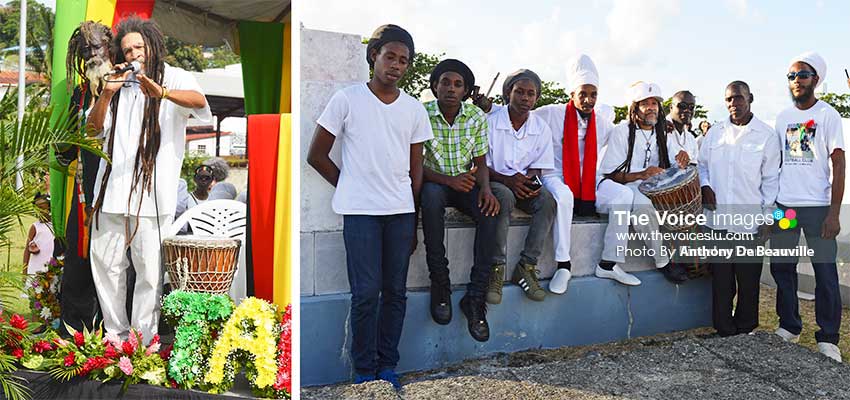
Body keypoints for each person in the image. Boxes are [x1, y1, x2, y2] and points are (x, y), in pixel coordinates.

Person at [307, 24, 432, 389]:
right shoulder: (347, 99)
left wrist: (414, 218)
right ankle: (364, 372)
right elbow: (316, 156)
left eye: (403, 60)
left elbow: (416, 170)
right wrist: (351, 184)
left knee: (396, 292)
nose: (396, 65)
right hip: (360, 213)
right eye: (390, 56)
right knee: (366, 293)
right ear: (373, 55)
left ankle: (387, 366)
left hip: (401, 214)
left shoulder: (413, 109)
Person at [86, 16, 211, 344]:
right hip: (111, 193)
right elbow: (92, 130)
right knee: (107, 267)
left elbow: (200, 103)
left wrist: (163, 92)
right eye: (127, 50)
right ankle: (116, 337)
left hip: (153, 197)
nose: (133, 54)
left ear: (152, 45)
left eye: (138, 47)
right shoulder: (115, 80)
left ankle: (142, 343)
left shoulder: (175, 76)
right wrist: (105, 96)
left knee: (149, 274)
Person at [420, 59, 503, 342]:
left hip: (464, 182)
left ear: (466, 90)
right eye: (445, 83)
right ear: (435, 87)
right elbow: (415, 166)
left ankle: (475, 296)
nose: (451, 89)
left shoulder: (476, 117)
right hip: (434, 182)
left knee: (490, 209)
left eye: (458, 85)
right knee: (430, 198)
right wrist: (447, 181)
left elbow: (480, 162)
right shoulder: (422, 114)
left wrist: (486, 189)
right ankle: (440, 283)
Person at [770, 52, 845, 362]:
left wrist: (834, 212)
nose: (796, 80)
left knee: (825, 273)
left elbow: (839, 164)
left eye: (802, 74)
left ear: (816, 79)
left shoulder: (829, 115)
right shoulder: (783, 117)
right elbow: (774, 164)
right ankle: (789, 325)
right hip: (785, 207)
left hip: (817, 210)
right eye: (791, 75)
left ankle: (828, 338)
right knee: (781, 268)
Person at [699, 81, 779, 337]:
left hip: (750, 223)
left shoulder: (766, 135)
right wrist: (706, 185)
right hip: (718, 222)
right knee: (721, 282)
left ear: (750, 98)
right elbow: (702, 165)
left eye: (738, 98)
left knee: (748, 282)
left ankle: (745, 330)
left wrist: (769, 218)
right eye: (729, 100)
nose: (733, 104)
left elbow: (771, 181)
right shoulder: (715, 133)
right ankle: (723, 330)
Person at [598, 81, 690, 284]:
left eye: (654, 103)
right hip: (619, 186)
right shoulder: (622, 131)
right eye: (645, 103)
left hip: (646, 187)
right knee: (642, 206)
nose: (651, 107)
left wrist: (683, 156)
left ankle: (689, 259)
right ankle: (663, 262)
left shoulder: (663, 132)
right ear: (635, 108)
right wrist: (641, 174)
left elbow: (677, 159)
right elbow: (610, 174)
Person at [58, 20, 113, 336]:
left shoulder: (125, 86)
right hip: (84, 192)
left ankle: (113, 336)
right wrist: (64, 144)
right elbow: (65, 149)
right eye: (85, 50)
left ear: (108, 47)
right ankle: (73, 333)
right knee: (78, 263)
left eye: (96, 47)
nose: (92, 54)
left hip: (117, 189)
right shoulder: (79, 95)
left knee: (114, 265)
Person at [483, 69, 557, 303]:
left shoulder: (541, 128)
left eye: (531, 94)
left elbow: (538, 166)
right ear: (508, 93)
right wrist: (507, 180)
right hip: (494, 181)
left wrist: (528, 184)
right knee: (503, 197)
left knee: (547, 200)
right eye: (520, 92)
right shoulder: (490, 123)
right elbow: (479, 165)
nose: (525, 98)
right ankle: (495, 268)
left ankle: (527, 265)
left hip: (521, 184)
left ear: (536, 98)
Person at [23, 193, 54, 275]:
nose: (39, 211)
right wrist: (24, 271)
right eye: (37, 209)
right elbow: (27, 250)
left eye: (42, 208)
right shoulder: (35, 227)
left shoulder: (56, 226)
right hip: (35, 268)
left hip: (52, 266)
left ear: (49, 208)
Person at [667, 91, 700, 162]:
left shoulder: (691, 139)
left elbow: (694, 167)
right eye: (682, 106)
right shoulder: (657, 129)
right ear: (671, 107)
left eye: (691, 107)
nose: (687, 110)